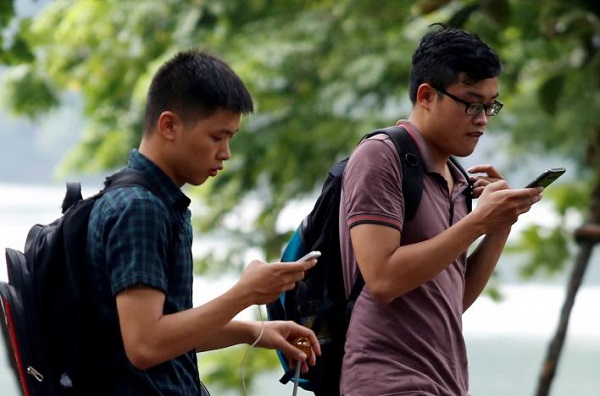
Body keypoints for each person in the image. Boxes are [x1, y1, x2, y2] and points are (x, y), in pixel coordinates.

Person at [85, 49, 321, 395]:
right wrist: (245, 293)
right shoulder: (140, 208)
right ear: (169, 126)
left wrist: (252, 332)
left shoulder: (159, 203)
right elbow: (145, 345)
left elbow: (169, 331)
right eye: (217, 137)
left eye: (230, 138)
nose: (225, 153)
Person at [339, 24, 542, 395]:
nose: (482, 119)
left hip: (444, 382)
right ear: (427, 96)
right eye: (471, 103)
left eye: (490, 105)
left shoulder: (457, 178)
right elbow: (383, 280)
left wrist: (500, 223)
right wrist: (478, 221)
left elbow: (451, 300)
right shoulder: (381, 157)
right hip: (387, 381)